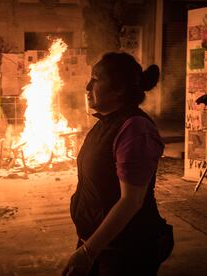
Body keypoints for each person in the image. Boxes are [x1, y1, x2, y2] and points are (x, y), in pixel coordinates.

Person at [63, 52, 173, 276]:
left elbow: (130, 201)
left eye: (95, 79)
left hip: (126, 250)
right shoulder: (105, 122)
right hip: (101, 243)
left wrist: (88, 252)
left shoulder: (135, 128)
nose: (87, 86)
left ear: (120, 88)